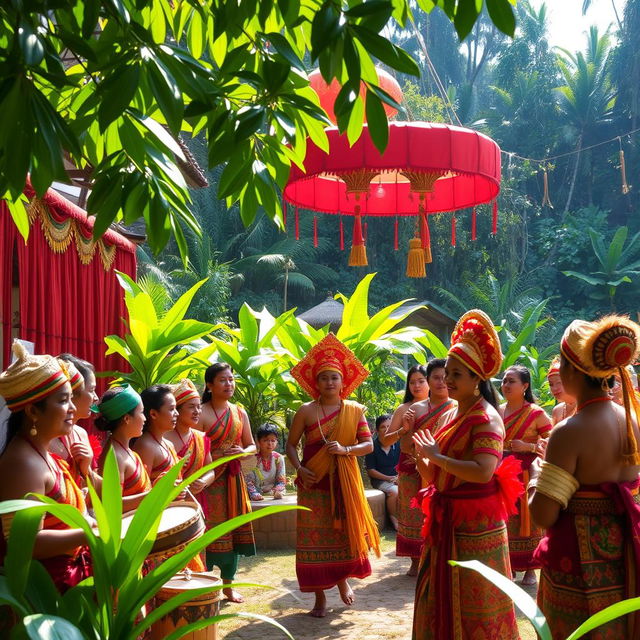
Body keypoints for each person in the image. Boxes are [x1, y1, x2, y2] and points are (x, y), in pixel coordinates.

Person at [411, 310, 521, 640]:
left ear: (477, 379)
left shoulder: (487, 418)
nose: (447, 381)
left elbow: (484, 471)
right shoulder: (453, 414)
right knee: (437, 592)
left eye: (457, 374)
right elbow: (437, 476)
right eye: (447, 373)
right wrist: (423, 462)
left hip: (475, 524)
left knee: (479, 601)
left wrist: (437, 457)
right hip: (448, 518)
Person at [530, 315, 640, 639]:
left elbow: (543, 514)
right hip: (625, 558)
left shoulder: (569, 431)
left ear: (571, 370)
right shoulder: (633, 422)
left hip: (576, 564)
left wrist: (535, 477)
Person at [286, 333, 380, 618]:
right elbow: (291, 445)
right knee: (314, 541)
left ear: (343, 382)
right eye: (324, 377)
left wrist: (345, 448)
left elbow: (369, 445)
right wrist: (300, 469)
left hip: (342, 484)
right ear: (316, 382)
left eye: (334, 377)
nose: (329, 382)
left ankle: (343, 583)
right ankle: (319, 599)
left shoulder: (353, 411)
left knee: (341, 536)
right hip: (313, 484)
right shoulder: (305, 411)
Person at [0, 341, 93, 592]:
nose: (73, 408)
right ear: (33, 411)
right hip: (45, 596)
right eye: (64, 400)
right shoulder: (22, 463)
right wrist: (92, 532)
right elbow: (25, 544)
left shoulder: (44, 455)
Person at [199, 362, 256, 603]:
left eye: (231, 379)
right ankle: (202, 584)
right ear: (210, 386)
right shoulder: (200, 412)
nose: (229, 384)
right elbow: (194, 449)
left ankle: (228, 587)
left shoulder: (239, 412)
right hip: (209, 481)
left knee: (232, 531)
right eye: (222, 380)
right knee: (209, 531)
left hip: (233, 481)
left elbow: (252, 444)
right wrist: (219, 456)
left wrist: (241, 452)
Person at [499, 364, 551, 586]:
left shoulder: (536, 414)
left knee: (528, 520)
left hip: (527, 475)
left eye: (511, 381)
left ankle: (530, 569)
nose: (506, 385)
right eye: (504, 380)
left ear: (525, 386)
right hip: (501, 473)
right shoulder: (497, 411)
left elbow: (552, 445)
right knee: (505, 519)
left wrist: (528, 448)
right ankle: (508, 566)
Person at [378, 365, 431, 576]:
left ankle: (433, 558)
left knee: (432, 512)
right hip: (410, 468)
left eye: (421, 381)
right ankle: (414, 561)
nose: (417, 385)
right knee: (411, 513)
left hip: (436, 468)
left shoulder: (446, 406)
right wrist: (404, 429)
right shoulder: (404, 409)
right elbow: (385, 439)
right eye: (413, 382)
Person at [95, 385, 151, 508]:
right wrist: (155, 494)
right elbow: (113, 505)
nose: (145, 418)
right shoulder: (114, 456)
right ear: (127, 418)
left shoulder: (125, 450)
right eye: (141, 412)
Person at [49, 355, 100, 486]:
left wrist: (86, 470)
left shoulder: (80, 433)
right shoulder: (45, 441)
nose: (96, 398)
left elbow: (94, 492)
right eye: (92, 390)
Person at [166, 379, 215, 496]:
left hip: (196, 499)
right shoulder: (164, 438)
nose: (197, 411)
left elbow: (210, 471)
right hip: (169, 501)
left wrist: (203, 481)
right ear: (177, 410)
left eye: (199, 407)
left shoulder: (201, 438)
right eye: (191, 407)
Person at [133, 385, 181, 484]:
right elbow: (142, 489)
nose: (177, 413)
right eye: (171, 409)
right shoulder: (145, 446)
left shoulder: (169, 444)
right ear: (153, 414)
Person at [365, 414, 400, 529]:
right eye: (383, 427)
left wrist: (399, 477)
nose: (387, 430)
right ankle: (394, 521)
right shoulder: (372, 446)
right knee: (395, 491)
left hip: (398, 478)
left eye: (389, 426)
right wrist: (390, 478)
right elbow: (371, 471)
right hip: (380, 480)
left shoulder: (398, 444)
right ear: (377, 430)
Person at [244, 423, 287, 501]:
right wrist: (254, 494)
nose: (270, 443)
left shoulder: (279, 458)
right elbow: (248, 481)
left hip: (273, 493)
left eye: (273, 440)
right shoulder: (252, 459)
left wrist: (277, 491)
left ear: (277, 442)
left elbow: (281, 480)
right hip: (254, 493)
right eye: (265, 440)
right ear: (258, 442)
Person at [547, 356, 576, 427]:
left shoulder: (586, 408)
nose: (554, 388)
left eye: (559, 382)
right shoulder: (557, 410)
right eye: (551, 384)